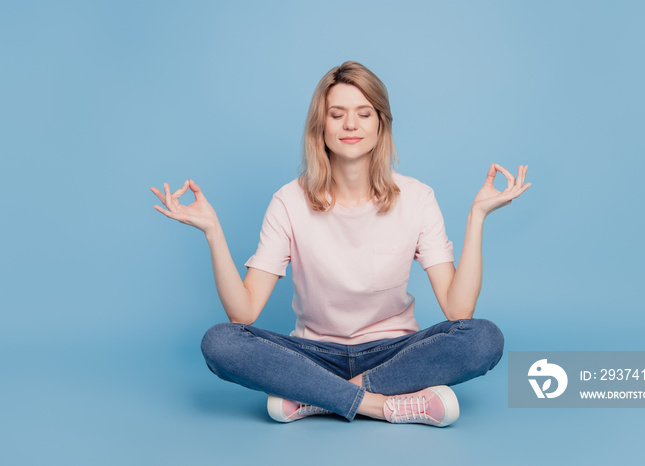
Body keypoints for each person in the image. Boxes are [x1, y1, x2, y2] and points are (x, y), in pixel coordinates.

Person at [150, 61, 531, 427]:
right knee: (220, 342)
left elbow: (458, 309)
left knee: (483, 337)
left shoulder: (417, 197)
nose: (351, 124)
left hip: (395, 353)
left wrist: (477, 217)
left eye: (364, 113)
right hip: (313, 355)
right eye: (337, 114)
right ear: (322, 126)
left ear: (381, 123)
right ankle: (379, 405)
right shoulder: (288, 200)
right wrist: (213, 231)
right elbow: (244, 313)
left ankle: (315, 397)